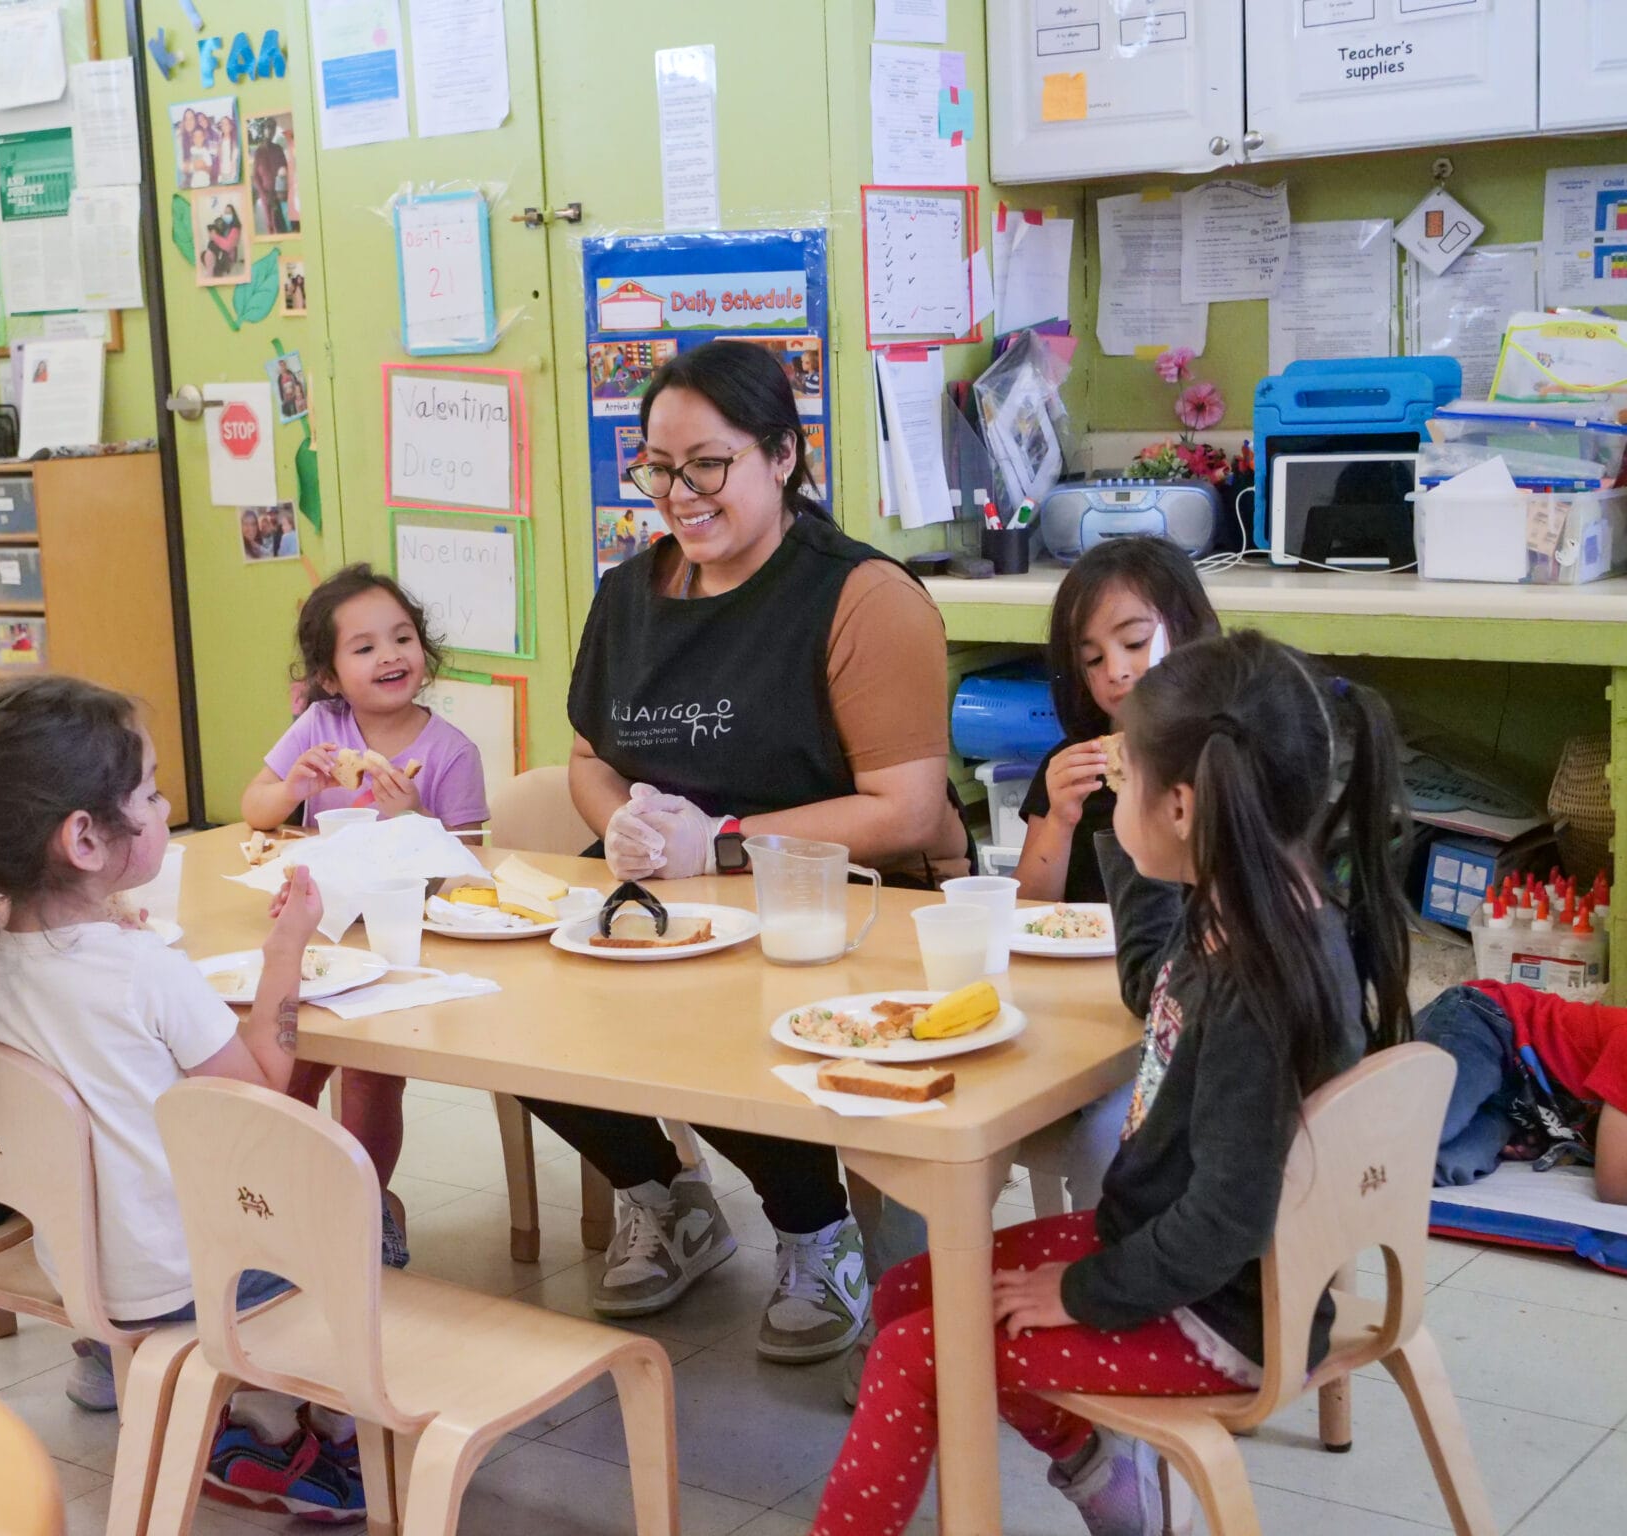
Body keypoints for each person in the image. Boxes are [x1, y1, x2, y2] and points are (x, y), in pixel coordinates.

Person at [812, 632, 1413, 1536]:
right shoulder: (1242, 904)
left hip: (1221, 1320)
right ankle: (1104, 1481)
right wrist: (1127, 840)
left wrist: (1081, 1291)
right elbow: (1148, 983)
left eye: (1125, 782)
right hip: (1192, 1267)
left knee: (911, 1353)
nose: (1113, 800)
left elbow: (1225, 1222)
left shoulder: (1258, 977)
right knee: (905, 1294)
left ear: (1181, 805)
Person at [530, 339, 969, 1364]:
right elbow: (588, 758)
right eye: (656, 468)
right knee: (523, 1012)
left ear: (782, 455)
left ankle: (816, 1231)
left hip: (851, 908)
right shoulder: (628, 594)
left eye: (707, 465)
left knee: (720, 1025)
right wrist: (624, 822)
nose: (677, 495)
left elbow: (904, 810)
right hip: (680, 902)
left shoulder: (862, 596)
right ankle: (663, 1197)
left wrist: (719, 847)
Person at [0, 678, 364, 1521]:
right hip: (179, 1277)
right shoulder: (141, 970)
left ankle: (238, 1415)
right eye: (153, 793)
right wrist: (285, 952)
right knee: (370, 1227)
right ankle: (285, 1429)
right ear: (83, 838)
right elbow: (264, 1098)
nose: (165, 808)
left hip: (80, 1262)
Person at [241, 566, 490, 1267]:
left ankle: (368, 1198)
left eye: (402, 638)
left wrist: (414, 822)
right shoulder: (320, 728)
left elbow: (468, 876)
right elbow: (255, 806)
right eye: (364, 647)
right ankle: (286, 1202)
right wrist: (294, 785)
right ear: (327, 675)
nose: (389, 656)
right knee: (292, 1065)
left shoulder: (449, 752)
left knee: (373, 1075)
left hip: (402, 946)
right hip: (315, 940)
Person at [1017, 538, 1221, 907]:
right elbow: (1027, 910)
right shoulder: (1074, 768)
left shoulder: (1225, 757)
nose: (1116, 672)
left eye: (1135, 642)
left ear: (1189, 630)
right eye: (1093, 659)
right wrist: (1059, 822)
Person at [1414, 980, 1627, 1201]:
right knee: (1428, 1126)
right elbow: (1615, 1186)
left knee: (1449, 1165)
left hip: (1511, 1109)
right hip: (1490, 1024)